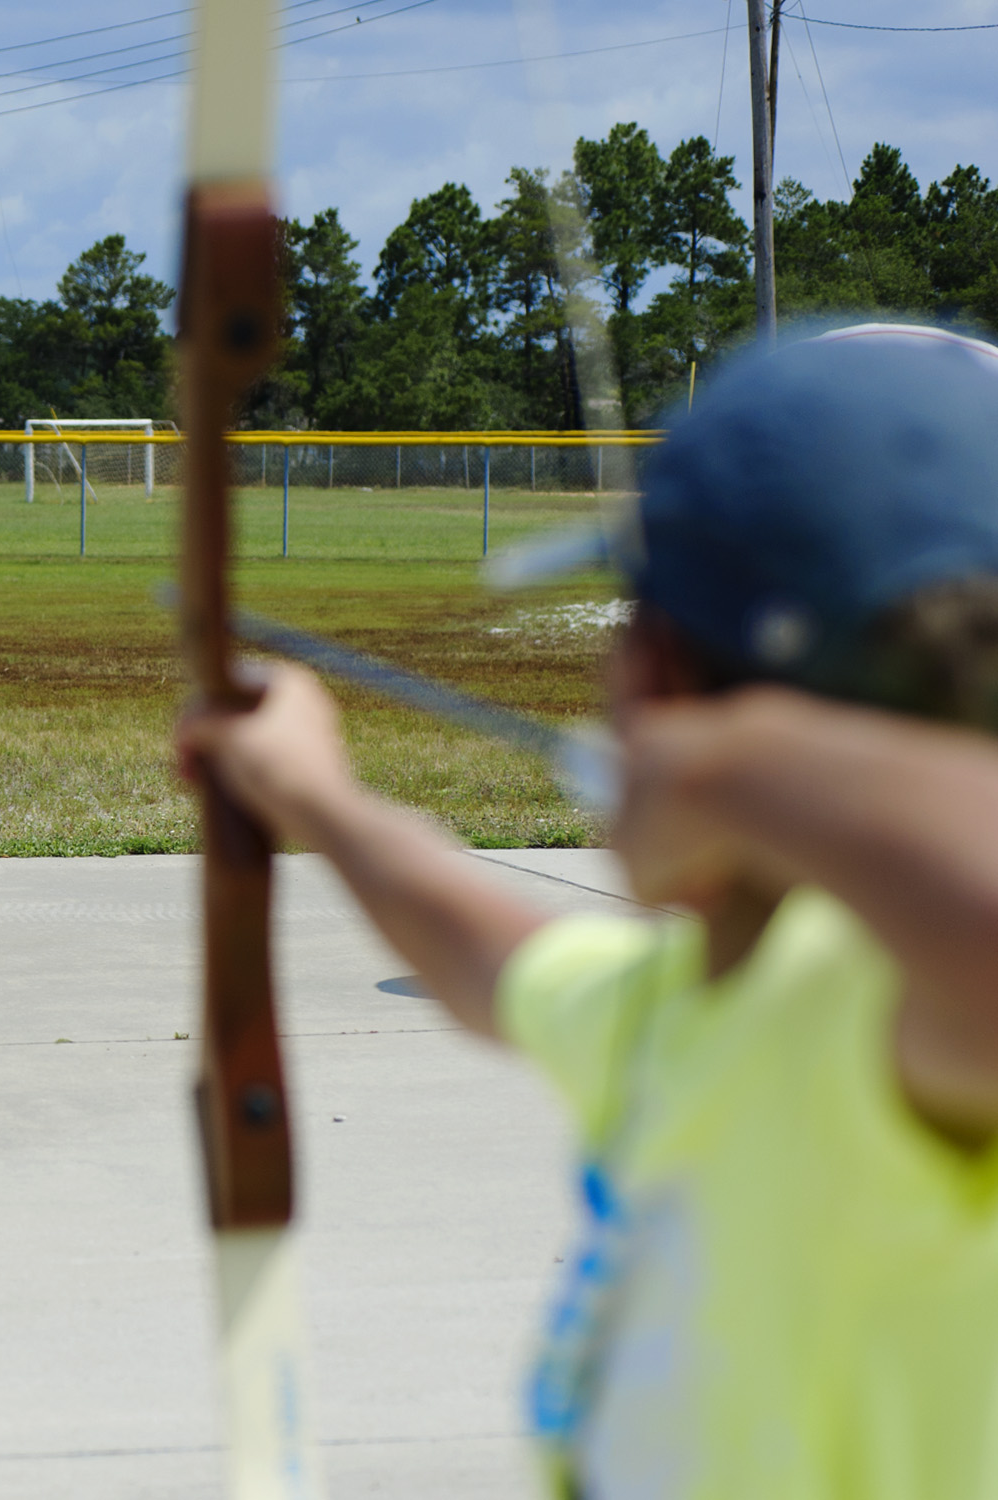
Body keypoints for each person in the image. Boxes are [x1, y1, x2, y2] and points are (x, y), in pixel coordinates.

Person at [180, 323, 998, 1497]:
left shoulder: (882, 1017)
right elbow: (484, 953)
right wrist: (312, 793)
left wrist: (722, 768)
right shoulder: (692, 1006)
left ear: (662, 672)